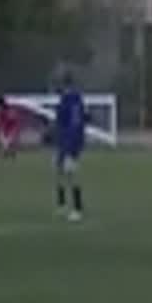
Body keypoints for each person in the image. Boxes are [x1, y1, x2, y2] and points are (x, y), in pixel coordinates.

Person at [53, 71, 88, 221]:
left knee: (70, 172)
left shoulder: (71, 99)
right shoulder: (71, 99)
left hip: (71, 140)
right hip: (65, 140)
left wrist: (71, 144)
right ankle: (61, 204)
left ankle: (77, 208)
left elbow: (74, 123)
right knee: (59, 170)